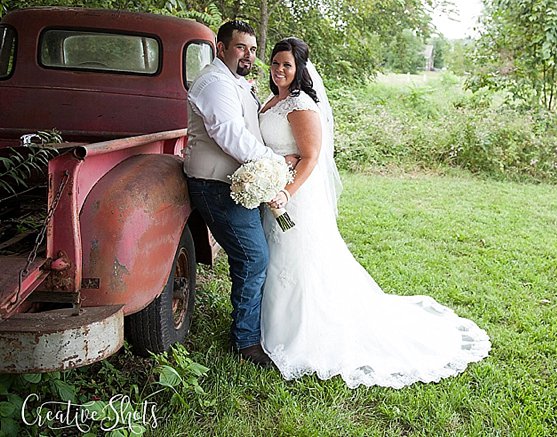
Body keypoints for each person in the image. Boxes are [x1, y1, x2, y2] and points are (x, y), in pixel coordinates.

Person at [258, 38, 491, 388]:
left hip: (294, 198)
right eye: (276, 63)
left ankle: (300, 332)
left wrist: (285, 192)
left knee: (299, 261)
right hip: (273, 190)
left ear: (299, 69)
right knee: (275, 259)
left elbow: (311, 156)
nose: (279, 70)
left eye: (287, 65)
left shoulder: (301, 104)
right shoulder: (270, 100)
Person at [184, 21, 292, 367]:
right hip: (216, 185)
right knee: (253, 258)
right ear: (221, 48)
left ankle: (250, 327)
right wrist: (273, 162)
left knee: (252, 256)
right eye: (241, 47)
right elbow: (229, 134)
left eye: (253, 49)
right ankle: (246, 342)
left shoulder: (233, 81)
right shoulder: (214, 83)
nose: (249, 55)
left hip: (238, 182)